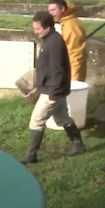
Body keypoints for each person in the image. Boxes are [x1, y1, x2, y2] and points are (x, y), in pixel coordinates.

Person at [19, 11, 86, 165]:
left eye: (38, 29)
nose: (36, 32)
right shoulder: (50, 39)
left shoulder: (54, 43)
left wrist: (53, 94)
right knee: (62, 118)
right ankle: (78, 146)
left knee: (37, 119)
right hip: (55, 89)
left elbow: (58, 71)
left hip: (52, 91)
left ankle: (31, 155)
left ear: (48, 27)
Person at [47, 0, 87, 82]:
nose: (51, 14)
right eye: (49, 11)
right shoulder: (65, 23)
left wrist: (74, 80)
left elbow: (75, 55)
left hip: (70, 75)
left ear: (62, 9)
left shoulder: (70, 26)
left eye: (53, 10)